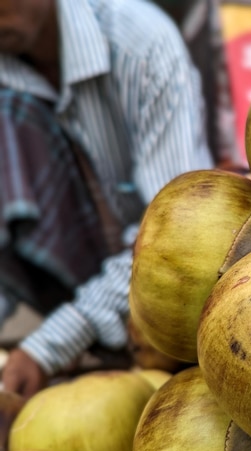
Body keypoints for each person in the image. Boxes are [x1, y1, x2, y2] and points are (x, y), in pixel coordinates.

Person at [0, 0, 213, 398]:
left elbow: (177, 238)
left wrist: (52, 343)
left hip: (176, 296)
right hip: (85, 288)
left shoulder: (141, 44)